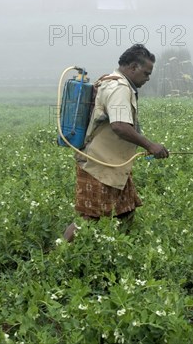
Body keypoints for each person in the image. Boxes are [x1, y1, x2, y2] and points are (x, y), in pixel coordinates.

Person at [64, 44, 169, 242]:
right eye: (146, 73)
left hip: (113, 164)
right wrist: (150, 145)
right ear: (132, 67)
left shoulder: (110, 80)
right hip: (100, 164)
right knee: (88, 217)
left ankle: (119, 250)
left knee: (125, 210)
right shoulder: (119, 88)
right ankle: (60, 256)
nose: (148, 78)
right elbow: (119, 125)